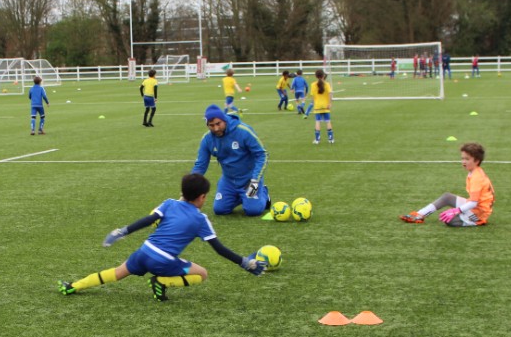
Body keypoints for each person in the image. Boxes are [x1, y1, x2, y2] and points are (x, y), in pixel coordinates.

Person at [58, 172, 267, 302]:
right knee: (202, 274)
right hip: (163, 262)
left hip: (144, 251)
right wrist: (245, 263)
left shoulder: (169, 203)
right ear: (202, 197)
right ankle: (162, 282)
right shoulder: (201, 219)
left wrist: (122, 231)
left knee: (117, 272)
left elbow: (148, 220)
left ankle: (73, 286)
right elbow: (219, 248)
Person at [192, 104, 269, 217]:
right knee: (219, 210)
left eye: (218, 124)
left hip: (250, 180)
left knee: (253, 210)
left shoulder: (243, 131)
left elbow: (262, 155)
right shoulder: (207, 139)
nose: (216, 128)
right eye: (211, 125)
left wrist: (255, 180)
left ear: (224, 120)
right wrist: (189, 187)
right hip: (229, 181)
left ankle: (264, 193)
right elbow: (200, 165)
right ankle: (241, 196)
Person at [399, 142, 495, 227]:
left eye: (467, 159)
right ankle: (419, 215)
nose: (463, 162)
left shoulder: (477, 177)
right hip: (476, 207)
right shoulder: (474, 172)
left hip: (479, 213)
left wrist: (456, 210)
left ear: (477, 161)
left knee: (450, 221)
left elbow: (474, 202)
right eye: (462, 158)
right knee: (447, 197)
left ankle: (476, 221)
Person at [309, 69, 333, 145]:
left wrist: (313, 103)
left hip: (317, 106)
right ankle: (331, 139)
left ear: (316, 76)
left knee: (317, 121)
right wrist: (329, 103)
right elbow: (330, 94)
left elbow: (312, 96)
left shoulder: (313, 85)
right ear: (323, 76)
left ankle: (317, 140)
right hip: (326, 106)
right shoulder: (327, 84)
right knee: (328, 121)